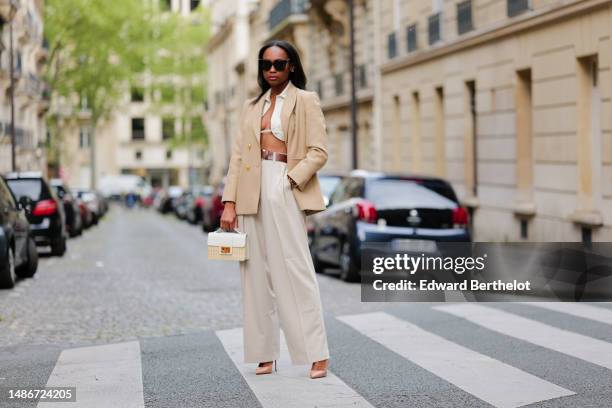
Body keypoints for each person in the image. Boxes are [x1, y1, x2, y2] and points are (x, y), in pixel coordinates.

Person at [219, 39, 330, 379]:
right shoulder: (252, 106)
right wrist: (229, 203)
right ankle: (264, 353)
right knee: (255, 275)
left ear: (291, 66)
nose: (271, 70)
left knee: (295, 270)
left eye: (279, 64)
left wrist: (291, 180)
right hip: (251, 188)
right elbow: (237, 158)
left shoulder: (305, 101)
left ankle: (316, 353)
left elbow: (319, 151)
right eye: (266, 64)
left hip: (284, 183)